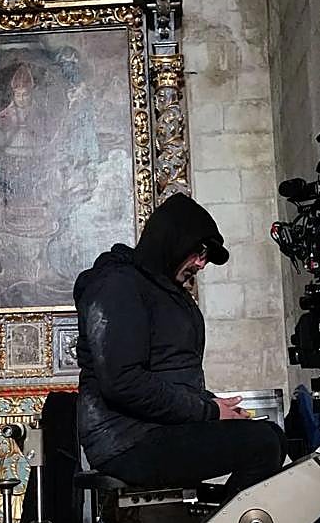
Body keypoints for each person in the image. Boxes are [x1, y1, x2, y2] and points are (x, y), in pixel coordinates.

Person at [73, 192, 288, 498]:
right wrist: (209, 411)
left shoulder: (162, 289)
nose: (202, 263)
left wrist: (216, 405)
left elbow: (170, 372)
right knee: (261, 445)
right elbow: (123, 383)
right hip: (125, 440)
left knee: (273, 436)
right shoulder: (118, 286)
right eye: (199, 252)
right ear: (173, 241)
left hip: (153, 429)